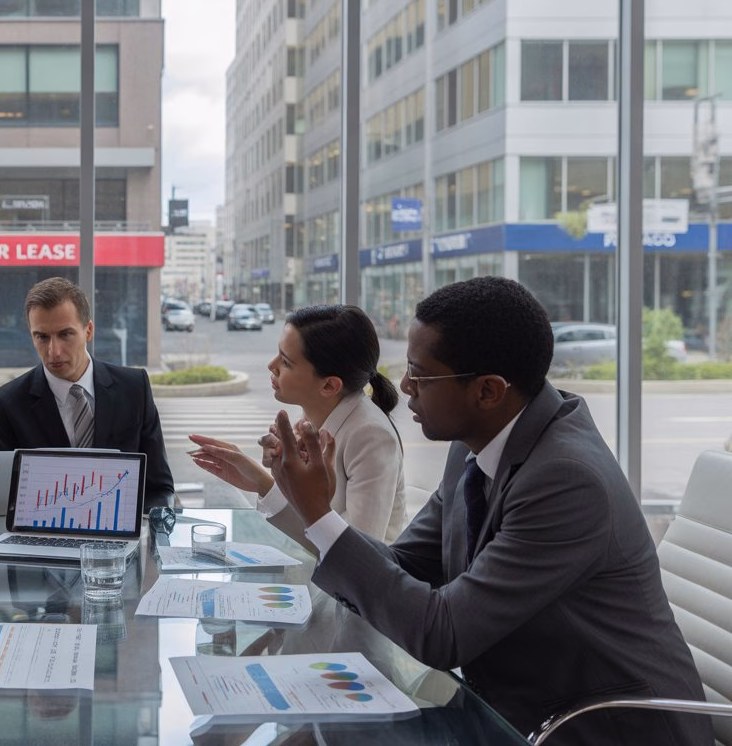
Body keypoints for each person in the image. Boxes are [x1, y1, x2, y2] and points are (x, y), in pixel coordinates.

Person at [264, 277, 710, 745]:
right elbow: (409, 564)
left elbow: (443, 635)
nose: (405, 386)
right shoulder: (477, 447)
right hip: (507, 711)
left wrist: (319, 516)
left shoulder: (568, 481)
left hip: (597, 728)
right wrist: (317, 511)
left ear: (488, 391)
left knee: (321, 737)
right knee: (311, 731)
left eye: (420, 373)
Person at [188, 305, 405, 547]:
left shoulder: (370, 436)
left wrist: (267, 483)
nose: (272, 365)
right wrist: (275, 480)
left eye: (286, 362)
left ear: (329, 386)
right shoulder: (311, 420)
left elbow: (357, 555)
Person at [0, 277, 175, 511]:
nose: (53, 351)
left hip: (121, 533)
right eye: (42, 337)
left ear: (89, 330)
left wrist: (146, 530)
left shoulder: (134, 388)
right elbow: (8, 500)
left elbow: (159, 488)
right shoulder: (6, 403)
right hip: (45, 536)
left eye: (65, 334)